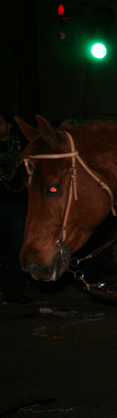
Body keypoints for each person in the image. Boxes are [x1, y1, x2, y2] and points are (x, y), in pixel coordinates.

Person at [1, 110, 30, 303]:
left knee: (18, 250)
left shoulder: (20, 145)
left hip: (17, 205)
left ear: (8, 125)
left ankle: (15, 292)